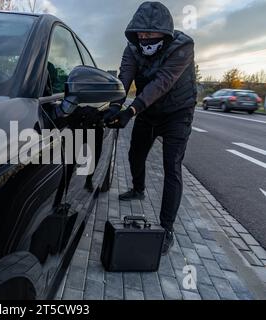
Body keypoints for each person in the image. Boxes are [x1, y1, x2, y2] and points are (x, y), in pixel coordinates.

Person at [104, 1, 197, 255]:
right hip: (149, 112)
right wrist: (115, 107)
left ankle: (167, 228)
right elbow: (124, 77)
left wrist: (132, 111)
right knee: (135, 153)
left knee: (172, 167)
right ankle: (138, 188)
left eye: (150, 35)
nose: (144, 40)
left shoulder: (183, 46)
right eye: (141, 35)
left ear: (165, 34)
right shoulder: (132, 48)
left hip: (178, 112)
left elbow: (162, 82)